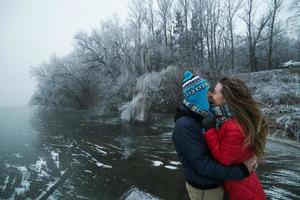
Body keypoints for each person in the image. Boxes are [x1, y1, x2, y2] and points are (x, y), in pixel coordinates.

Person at [172, 71, 257, 200]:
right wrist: (240, 171)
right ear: (198, 96)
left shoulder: (208, 115)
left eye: (211, 91)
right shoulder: (184, 125)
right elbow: (203, 165)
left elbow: (230, 142)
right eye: (207, 92)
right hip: (205, 188)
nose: (210, 95)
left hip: (219, 182)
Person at [202, 76, 268, 200]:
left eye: (215, 92)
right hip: (243, 184)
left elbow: (223, 160)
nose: (211, 95)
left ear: (226, 98)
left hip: (241, 192)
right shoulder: (233, 118)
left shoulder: (234, 128)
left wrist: (210, 131)